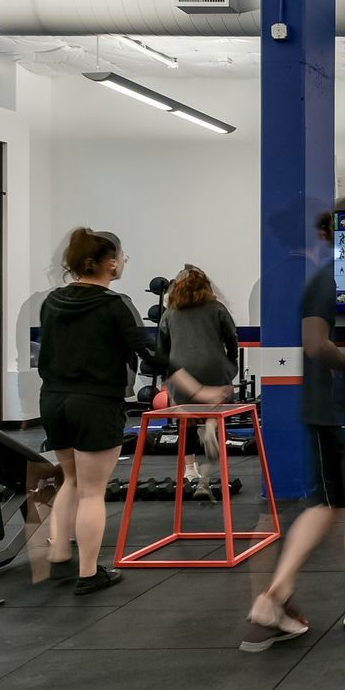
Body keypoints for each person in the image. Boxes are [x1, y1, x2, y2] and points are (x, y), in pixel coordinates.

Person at [241, 196, 345, 651]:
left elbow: (314, 344)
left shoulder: (322, 278)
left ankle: (274, 597)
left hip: (316, 408)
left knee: (323, 505)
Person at [38, 228, 225, 593]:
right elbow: (152, 355)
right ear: (109, 263)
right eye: (122, 257)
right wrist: (199, 390)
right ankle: (90, 573)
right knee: (93, 492)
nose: (123, 262)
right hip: (94, 403)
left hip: (53, 401)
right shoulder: (114, 304)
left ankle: (59, 557)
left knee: (71, 480)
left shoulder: (52, 301)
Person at [161, 266, 240, 491]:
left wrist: (167, 377)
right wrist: (230, 365)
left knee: (185, 417)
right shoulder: (217, 308)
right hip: (213, 367)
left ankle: (189, 468)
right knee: (218, 399)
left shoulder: (170, 313)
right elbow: (231, 338)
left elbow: (162, 347)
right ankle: (211, 425)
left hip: (181, 370)